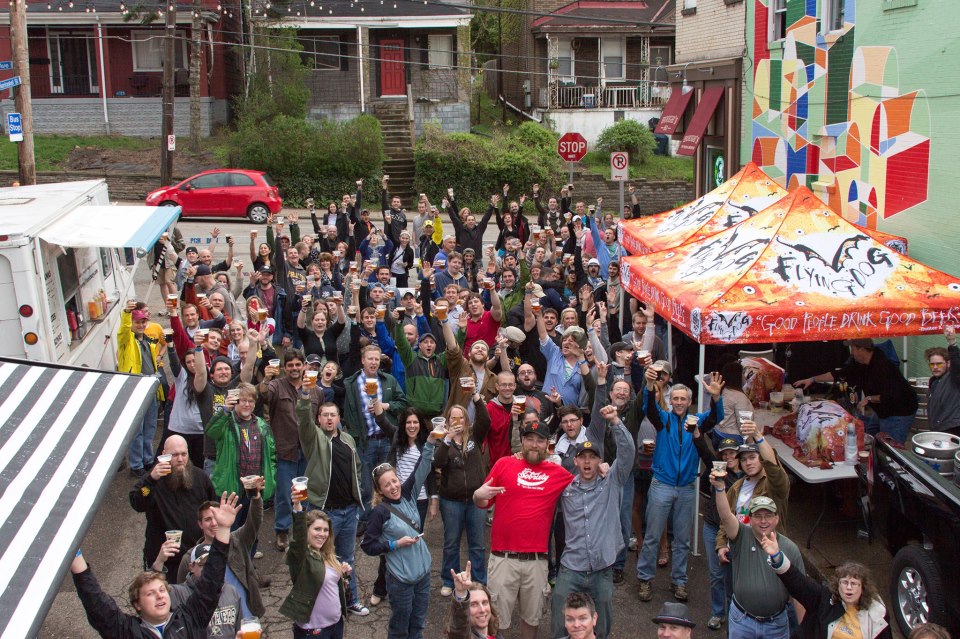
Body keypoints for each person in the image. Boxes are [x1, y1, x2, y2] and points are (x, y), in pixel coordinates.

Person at [71, 493, 239, 639]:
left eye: (161, 590)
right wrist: (72, 552)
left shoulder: (190, 618)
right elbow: (95, 602)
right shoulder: (127, 632)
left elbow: (211, 582)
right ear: (137, 605)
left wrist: (223, 529)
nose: (160, 596)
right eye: (150, 593)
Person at [474, 417, 574, 639]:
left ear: (547, 444)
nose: (534, 445)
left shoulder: (557, 473)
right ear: (522, 441)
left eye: (540, 440)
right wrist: (476, 496)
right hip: (503, 559)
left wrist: (602, 466)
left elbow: (586, 482)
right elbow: (482, 500)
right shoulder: (504, 464)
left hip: (537, 561)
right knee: (497, 620)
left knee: (532, 619)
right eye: (530, 439)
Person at [636, 369, 725, 603]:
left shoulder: (696, 422)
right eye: (674, 398)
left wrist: (716, 398)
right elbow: (650, 409)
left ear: (690, 402)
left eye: (682, 399)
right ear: (670, 400)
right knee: (653, 536)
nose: (678, 402)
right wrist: (648, 385)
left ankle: (679, 581)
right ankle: (645, 578)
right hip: (662, 484)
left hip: (686, 487)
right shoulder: (663, 420)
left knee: (683, 540)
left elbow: (716, 418)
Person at [552, 406, 635, 639]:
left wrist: (616, 422)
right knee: (560, 619)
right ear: (576, 461)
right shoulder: (565, 488)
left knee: (603, 623)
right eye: (583, 458)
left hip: (602, 568)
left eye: (593, 457)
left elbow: (627, 452)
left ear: (600, 460)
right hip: (571, 566)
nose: (588, 462)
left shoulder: (612, 483)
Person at [360, 430, 441, 639]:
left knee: (418, 625)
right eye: (386, 485)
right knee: (400, 628)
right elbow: (367, 546)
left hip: (422, 573)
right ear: (379, 491)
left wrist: (430, 441)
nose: (393, 486)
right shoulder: (380, 513)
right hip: (401, 580)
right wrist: (394, 544)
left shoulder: (407, 493)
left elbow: (421, 468)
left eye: (394, 481)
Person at [297, 397, 368, 616]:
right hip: (324, 511)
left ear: (339, 418)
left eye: (333, 415)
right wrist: (305, 399)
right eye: (325, 415)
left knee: (347, 558)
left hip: (348, 510)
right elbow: (303, 421)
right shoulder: (314, 438)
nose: (329, 419)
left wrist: (357, 493)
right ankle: (314, 605)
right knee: (318, 558)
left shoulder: (347, 439)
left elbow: (356, 466)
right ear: (319, 419)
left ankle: (350, 600)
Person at [711, 475, 803, 639]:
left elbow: (801, 594)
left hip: (776, 625)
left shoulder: (790, 548)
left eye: (768, 516)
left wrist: (804, 630)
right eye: (758, 516)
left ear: (777, 519)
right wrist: (719, 488)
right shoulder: (740, 536)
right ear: (750, 519)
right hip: (742, 621)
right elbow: (725, 516)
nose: (763, 521)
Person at [759, 538, 891, 639]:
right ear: (837, 585)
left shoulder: (877, 613)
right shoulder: (823, 598)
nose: (848, 588)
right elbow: (798, 582)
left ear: (863, 587)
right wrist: (776, 556)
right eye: (844, 582)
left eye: (854, 583)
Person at [171, 486, 267, 622]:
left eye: (217, 517)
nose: (214, 523)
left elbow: (254, 521)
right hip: (213, 626)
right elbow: (183, 593)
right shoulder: (190, 557)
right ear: (200, 524)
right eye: (208, 519)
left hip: (245, 618)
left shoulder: (237, 540)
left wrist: (256, 496)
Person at [794, 338, 917, 443]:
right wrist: (813, 379)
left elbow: (891, 395)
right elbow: (840, 374)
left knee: (891, 448)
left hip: (899, 412)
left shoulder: (883, 367)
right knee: (867, 435)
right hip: (881, 409)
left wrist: (869, 399)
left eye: (853, 349)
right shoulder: (860, 364)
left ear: (862, 350)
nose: (851, 353)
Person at [129, 435, 217, 580]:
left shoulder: (200, 478)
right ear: (164, 454)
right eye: (175, 455)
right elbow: (137, 502)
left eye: (184, 454)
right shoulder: (153, 481)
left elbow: (213, 510)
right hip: (165, 560)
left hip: (196, 556)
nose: (180, 459)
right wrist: (151, 479)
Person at [258, 349, 319, 551]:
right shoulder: (277, 386)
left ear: (304, 366)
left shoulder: (315, 390)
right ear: (285, 367)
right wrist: (266, 378)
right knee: (285, 494)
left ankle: (305, 529)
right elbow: (264, 394)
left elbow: (319, 417)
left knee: (306, 493)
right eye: (290, 365)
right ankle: (282, 531)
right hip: (286, 449)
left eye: (298, 364)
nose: (294, 368)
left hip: (308, 450)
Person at [343, 344, 409, 528]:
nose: (373, 362)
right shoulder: (352, 383)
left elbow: (403, 403)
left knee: (389, 481)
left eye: (376, 359)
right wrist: (355, 437)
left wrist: (385, 406)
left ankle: (390, 519)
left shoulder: (388, 380)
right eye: (370, 359)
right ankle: (365, 520)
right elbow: (347, 412)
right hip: (365, 441)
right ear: (363, 360)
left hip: (387, 439)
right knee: (365, 484)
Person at [435, 399, 492, 597]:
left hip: (476, 499)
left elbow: (485, 419)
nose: (457, 420)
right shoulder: (443, 439)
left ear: (466, 421)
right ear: (448, 421)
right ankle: (449, 580)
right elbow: (438, 462)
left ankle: (478, 581)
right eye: (453, 417)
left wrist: (476, 398)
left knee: (477, 544)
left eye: (460, 417)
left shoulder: (474, 436)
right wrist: (447, 438)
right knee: (451, 542)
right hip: (451, 500)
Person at [205, 382, 277, 528]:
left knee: (252, 530)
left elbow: (272, 456)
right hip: (231, 489)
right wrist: (225, 410)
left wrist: (271, 479)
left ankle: (250, 552)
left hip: (254, 490)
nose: (247, 404)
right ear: (236, 402)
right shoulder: (226, 422)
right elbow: (211, 431)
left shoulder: (262, 426)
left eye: (250, 401)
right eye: (243, 400)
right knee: (228, 530)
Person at [692, 436, 742, 631]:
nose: (728, 457)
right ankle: (718, 613)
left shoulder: (747, 475)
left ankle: (734, 614)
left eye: (732, 453)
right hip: (713, 526)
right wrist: (696, 432)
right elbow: (704, 451)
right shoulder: (718, 471)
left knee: (734, 576)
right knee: (716, 574)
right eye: (724, 454)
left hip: (737, 531)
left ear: (739, 454)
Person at [281, 500, 351, 638]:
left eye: (326, 530)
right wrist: (298, 508)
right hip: (314, 631)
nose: (322, 534)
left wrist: (344, 576)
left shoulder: (328, 555)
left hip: (336, 625)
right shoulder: (300, 557)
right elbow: (298, 539)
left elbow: (331, 588)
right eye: (317, 529)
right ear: (306, 529)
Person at [117, 302, 162, 476]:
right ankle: (136, 465)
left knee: (150, 427)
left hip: (150, 388)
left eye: (143, 322)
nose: (141, 325)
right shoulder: (127, 341)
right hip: (135, 390)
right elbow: (123, 330)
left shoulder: (148, 342)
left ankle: (148, 460)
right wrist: (127, 313)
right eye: (137, 323)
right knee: (138, 430)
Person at [167, 543, 241, 639]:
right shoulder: (178, 592)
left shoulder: (232, 591)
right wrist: (160, 561)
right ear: (191, 567)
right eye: (202, 565)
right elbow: (153, 588)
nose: (208, 570)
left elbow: (240, 629)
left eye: (213, 565)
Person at [446, 561, 503, 639]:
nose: (482, 610)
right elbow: (458, 627)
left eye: (485, 603)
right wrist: (461, 593)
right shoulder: (462, 635)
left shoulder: (496, 635)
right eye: (473, 604)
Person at [926, 326, 960, 434]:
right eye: (932, 364)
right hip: (938, 429)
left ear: (948, 363)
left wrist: (952, 343)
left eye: (939, 364)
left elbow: (957, 366)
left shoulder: (953, 378)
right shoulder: (933, 381)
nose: (935, 367)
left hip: (953, 429)